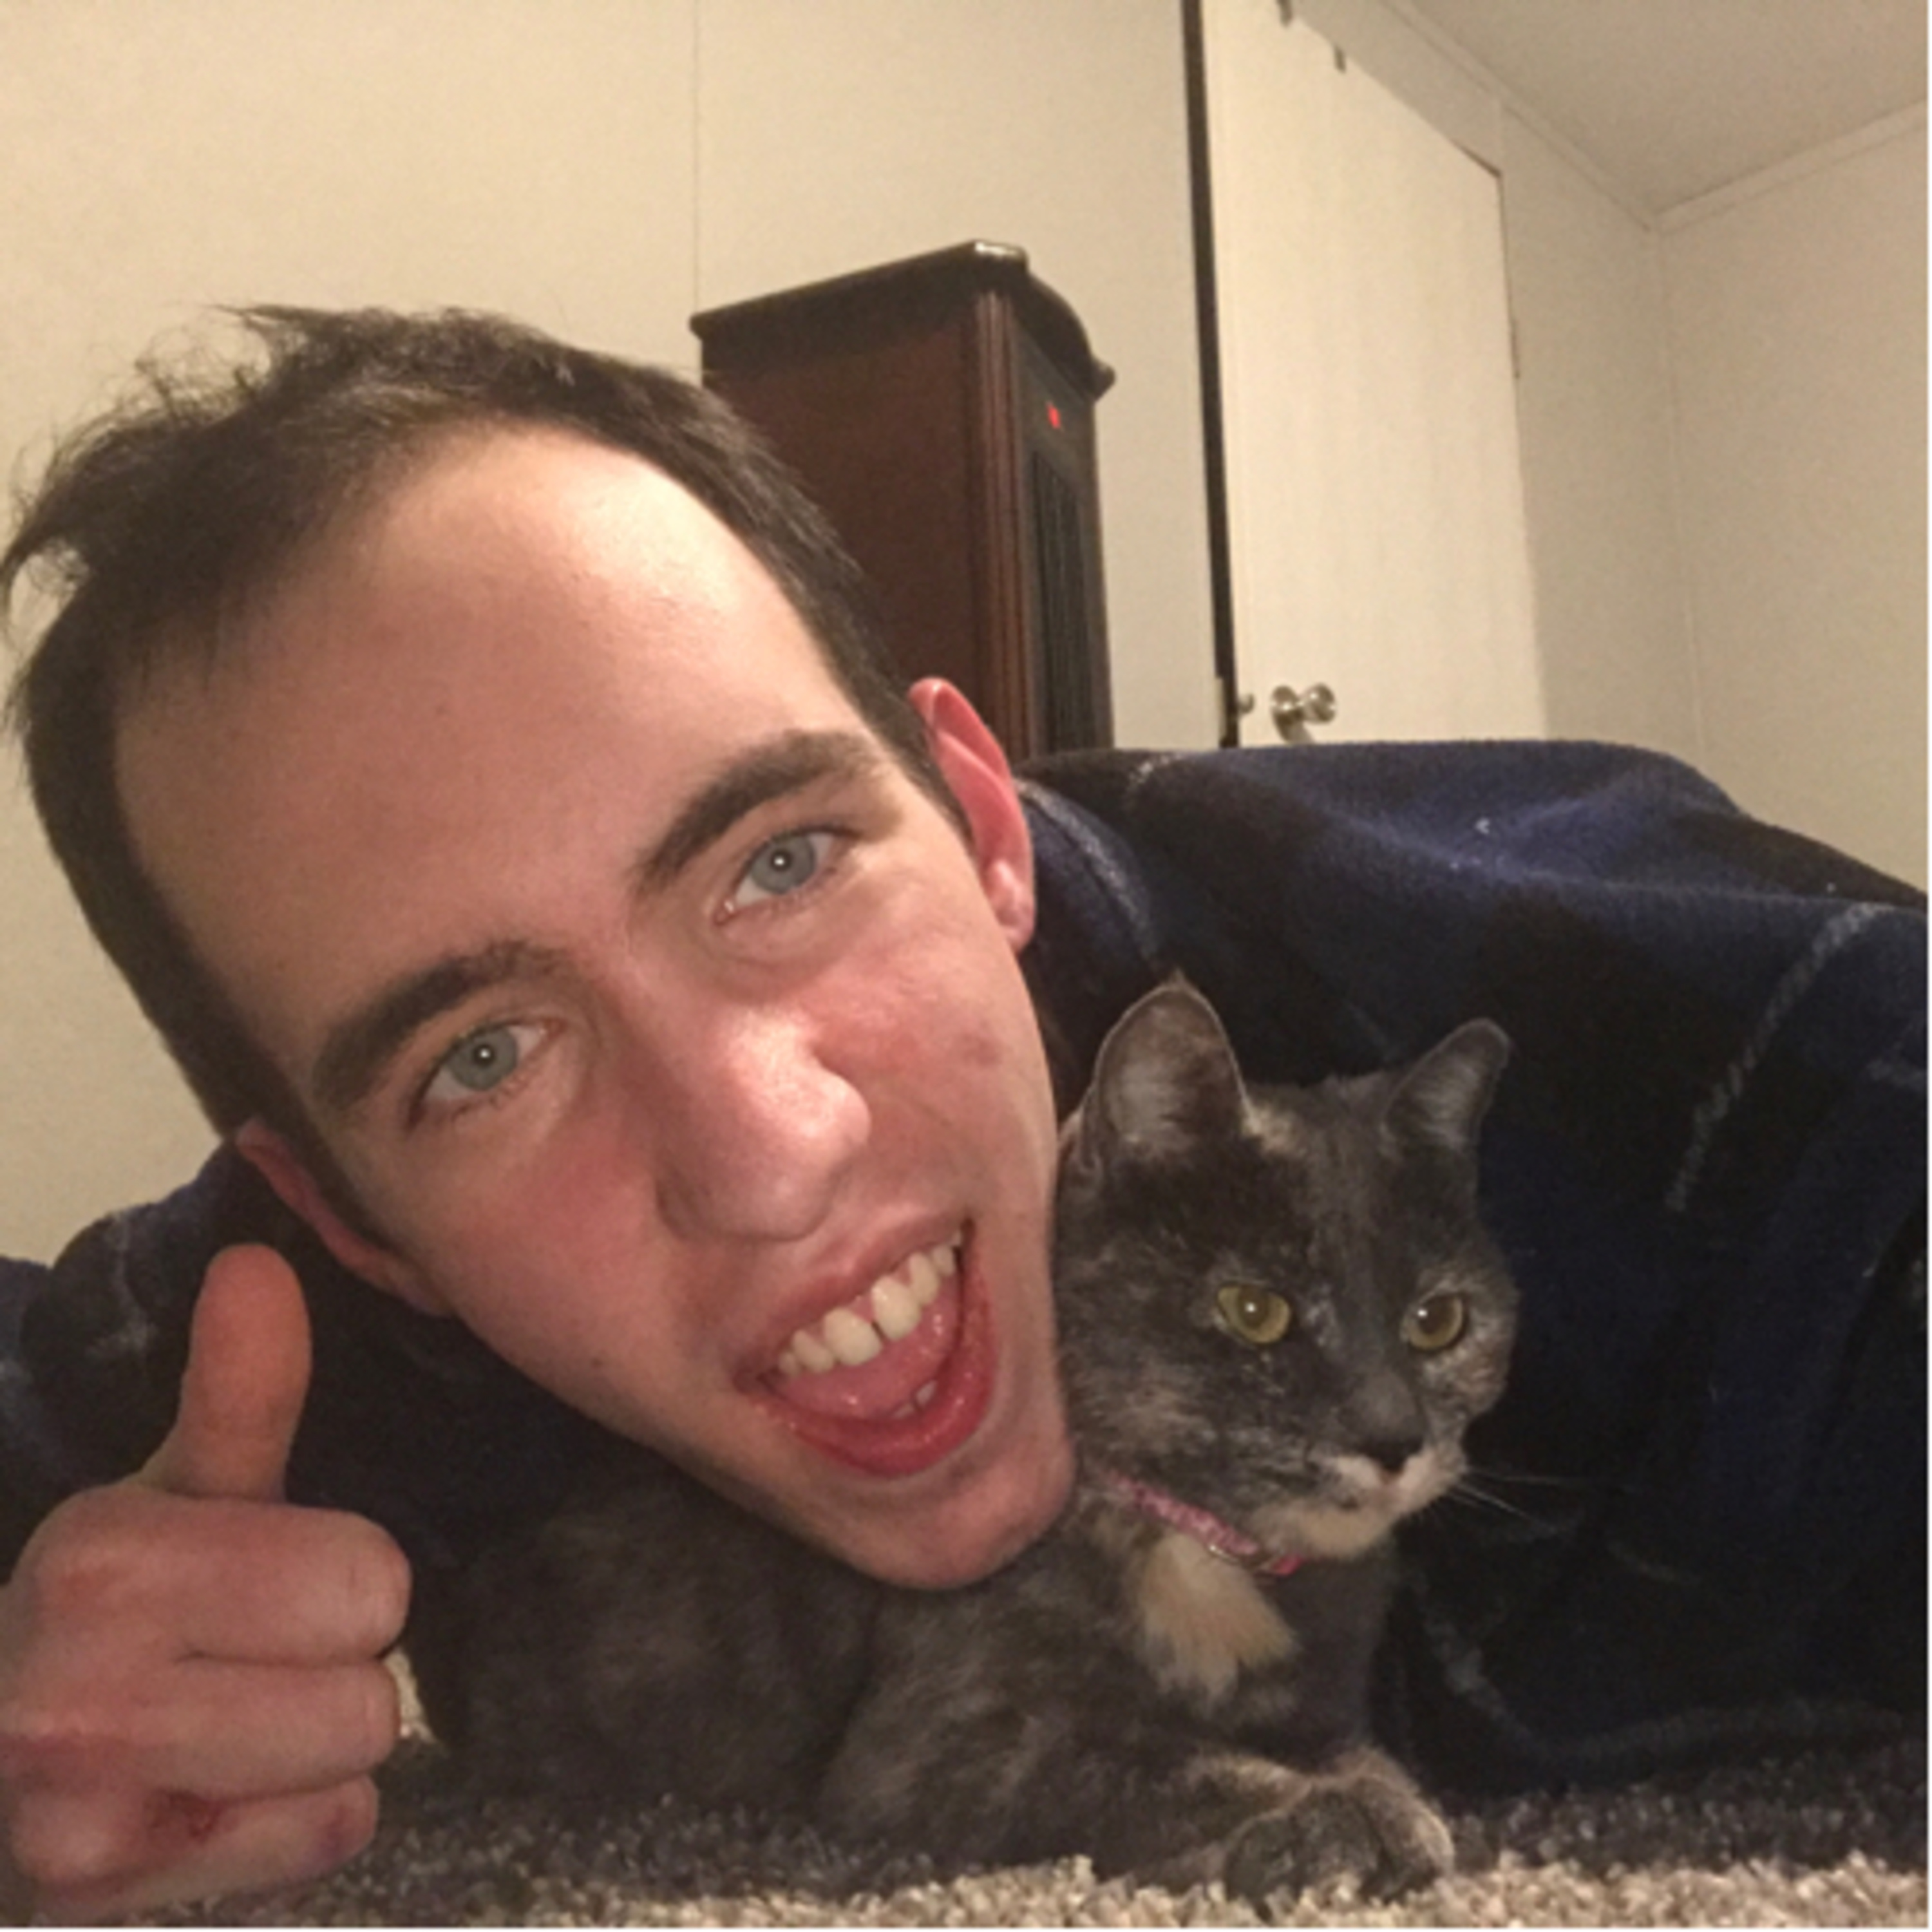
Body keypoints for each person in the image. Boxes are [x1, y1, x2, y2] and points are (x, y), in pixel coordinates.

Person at [0, 308, 1921, 1920]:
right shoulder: (287, 1332)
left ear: (986, 823)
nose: (773, 1161)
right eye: (483, 1059)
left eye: (781, 861)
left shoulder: (1670, 1048)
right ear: (350, 1223)